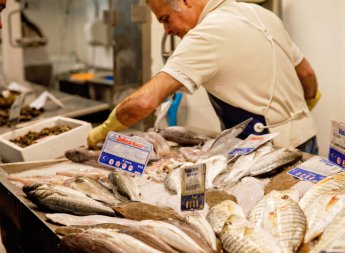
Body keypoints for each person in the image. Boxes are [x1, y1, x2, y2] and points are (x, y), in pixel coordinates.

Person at [87, 0, 320, 154]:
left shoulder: (206, 33)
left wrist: (100, 132)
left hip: (270, 153)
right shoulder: (260, 13)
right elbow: (307, 74)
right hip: (308, 141)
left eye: (165, 18)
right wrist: (299, 117)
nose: (167, 31)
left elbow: (143, 103)